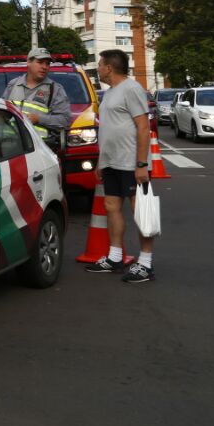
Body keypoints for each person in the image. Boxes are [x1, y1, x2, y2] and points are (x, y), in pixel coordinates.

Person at [85, 48, 155, 283]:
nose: (98, 69)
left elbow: (143, 126)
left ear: (109, 67)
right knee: (111, 206)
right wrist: (100, 161)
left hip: (131, 162)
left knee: (140, 212)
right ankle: (115, 257)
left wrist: (142, 164)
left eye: (100, 64)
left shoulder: (132, 88)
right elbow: (109, 128)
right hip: (111, 162)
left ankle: (145, 264)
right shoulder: (110, 92)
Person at [2, 47, 72, 150]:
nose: (44, 67)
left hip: (38, 150)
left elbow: (64, 121)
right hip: (9, 148)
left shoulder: (55, 89)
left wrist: (39, 119)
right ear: (29, 62)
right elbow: (1, 114)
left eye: (47, 64)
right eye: (40, 62)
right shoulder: (13, 85)